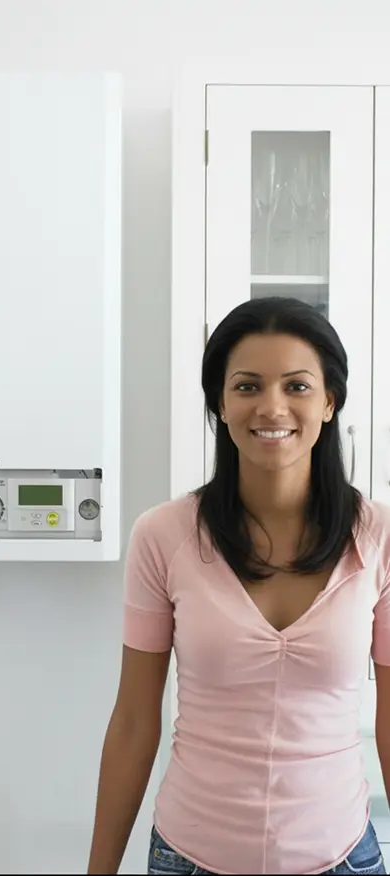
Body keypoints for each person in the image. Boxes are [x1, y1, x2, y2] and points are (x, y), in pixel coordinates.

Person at [87, 296, 390, 875]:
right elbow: (133, 720)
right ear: (220, 405)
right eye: (247, 386)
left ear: (330, 401)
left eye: (296, 386)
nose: (271, 406)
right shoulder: (163, 536)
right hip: (189, 856)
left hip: (341, 857)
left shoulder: (378, 539)